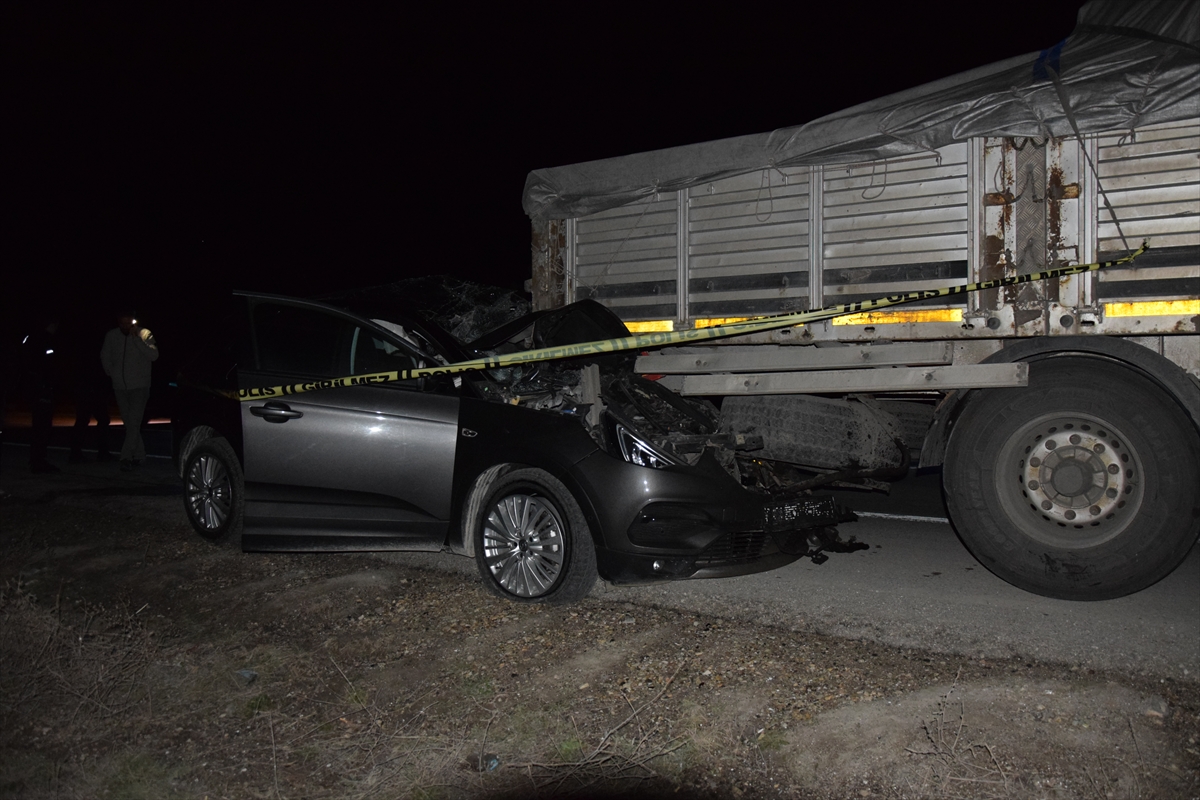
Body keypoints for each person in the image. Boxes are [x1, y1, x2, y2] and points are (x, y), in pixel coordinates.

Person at [101, 312, 159, 471]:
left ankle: (125, 457)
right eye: (122, 323)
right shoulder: (112, 335)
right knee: (130, 423)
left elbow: (154, 355)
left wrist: (136, 339)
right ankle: (140, 455)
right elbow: (105, 354)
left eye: (129, 323)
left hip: (139, 386)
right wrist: (110, 371)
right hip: (120, 386)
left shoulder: (144, 333)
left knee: (133, 421)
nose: (126, 327)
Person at [23, 318, 61, 473]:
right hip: (41, 387)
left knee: (40, 424)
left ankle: (37, 459)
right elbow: (46, 365)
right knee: (42, 425)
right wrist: (47, 384)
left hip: (35, 386)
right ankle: (38, 460)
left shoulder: (30, 338)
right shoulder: (44, 340)